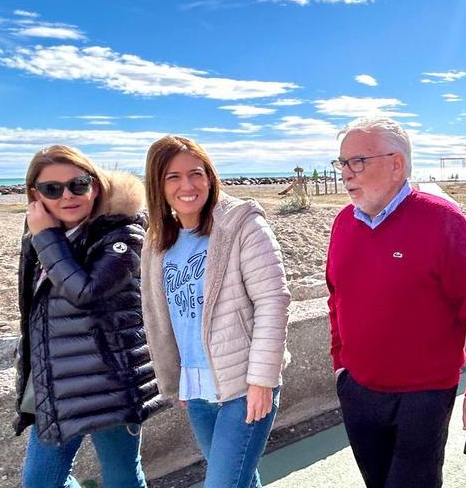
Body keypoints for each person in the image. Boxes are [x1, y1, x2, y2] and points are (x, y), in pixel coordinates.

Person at [326, 117, 466, 488]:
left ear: (396, 164)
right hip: (358, 391)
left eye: (358, 161)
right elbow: (335, 299)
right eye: (342, 163)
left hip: (424, 396)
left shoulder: (443, 221)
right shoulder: (343, 224)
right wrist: (341, 365)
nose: (346, 173)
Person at [140, 136, 290, 488]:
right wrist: (175, 377)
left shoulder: (241, 225)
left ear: (210, 176)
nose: (187, 185)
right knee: (241, 479)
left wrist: (262, 381)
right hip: (196, 389)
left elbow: (274, 300)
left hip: (243, 382)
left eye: (195, 173)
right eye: (172, 177)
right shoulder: (158, 240)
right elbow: (161, 316)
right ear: (157, 185)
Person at [14, 145, 162, 488]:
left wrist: (45, 236)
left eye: (78, 184)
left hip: (111, 382)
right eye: (52, 189)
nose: (67, 195)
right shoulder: (42, 232)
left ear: (94, 185)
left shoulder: (122, 233)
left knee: (123, 475)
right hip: (54, 382)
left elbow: (87, 292)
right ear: (36, 195)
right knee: (40, 481)